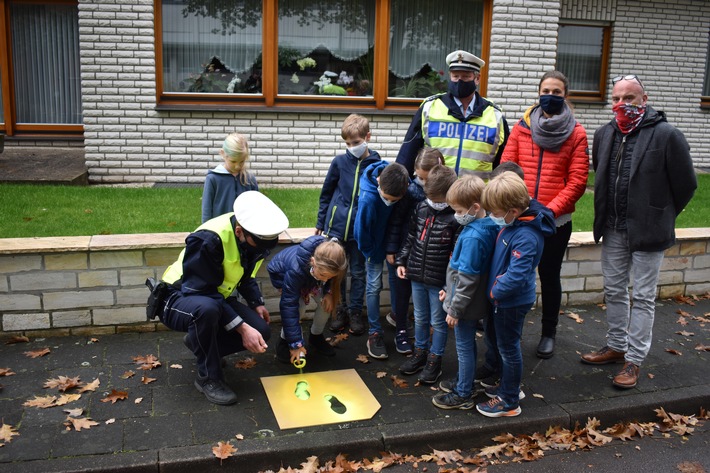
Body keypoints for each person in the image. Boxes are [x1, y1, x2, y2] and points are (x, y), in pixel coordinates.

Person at [580, 74, 696, 389]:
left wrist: (662, 213)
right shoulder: (604, 134)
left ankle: (634, 359)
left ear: (643, 100)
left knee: (643, 297)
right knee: (615, 290)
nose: (621, 104)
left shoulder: (667, 135)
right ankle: (616, 346)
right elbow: (600, 174)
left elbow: (686, 184)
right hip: (614, 227)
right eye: (616, 98)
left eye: (628, 98)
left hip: (649, 231)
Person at [161, 191, 289, 405]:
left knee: (262, 330)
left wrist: (257, 303)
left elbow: (246, 275)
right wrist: (242, 327)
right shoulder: (208, 240)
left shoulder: (253, 239)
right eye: (259, 245)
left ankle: (200, 344)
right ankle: (208, 379)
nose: (264, 251)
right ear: (239, 231)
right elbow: (200, 291)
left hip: (214, 296)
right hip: (178, 297)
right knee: (207, 311)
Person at [500, 70, 589, 359]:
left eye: (557, 92)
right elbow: (507, 168)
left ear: (566, 96)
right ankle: (508, 327)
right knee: (513, 273)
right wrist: (520, 205)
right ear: (538, 93)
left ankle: (548, 332)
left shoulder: (576, 132)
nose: (550, 96)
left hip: (554, 220)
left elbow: (577, 181)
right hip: (522, 214)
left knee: (549, 276)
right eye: (546, 91)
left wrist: (548, 211)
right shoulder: (522, 127)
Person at [475, 172, 555, 418]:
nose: (493, 217)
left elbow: (516, 276)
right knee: (503, 345)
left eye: (496, 213)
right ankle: (509, 386)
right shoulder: (517, 224)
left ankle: (509, 400)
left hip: (510, 301)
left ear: (513, 210)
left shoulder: (527, 235)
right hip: (502, 300)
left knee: (509, 349)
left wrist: (494, 291)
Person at [431, 175, 497, 409]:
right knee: (467, 345)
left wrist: (455, 307)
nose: (456, 215)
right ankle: (464, 382)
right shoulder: (488, 226)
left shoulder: (472, 236)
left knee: (464, 346)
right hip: (470, 300)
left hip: (466, 306)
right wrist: (448, 292)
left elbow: (467, 278)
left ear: (475, 207)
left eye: (458, 210)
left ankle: (463, 392)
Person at [396, 49, 508, 180]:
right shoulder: (429, 108)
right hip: (435, 194)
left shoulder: (494, 115)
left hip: (476, 195)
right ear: (450, 76)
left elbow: (503, 162)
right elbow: (407, 154)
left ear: (477, 79)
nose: (459, 81)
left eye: (465, 77)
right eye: (455, 76)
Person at [316, 114, 381, 337]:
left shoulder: (376, 164)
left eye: (355, 142)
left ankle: (355, 312)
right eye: (347, 144)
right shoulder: (339, 162)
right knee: (338, 272)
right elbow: (326, 193)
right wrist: (321, 221)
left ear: (367, 137)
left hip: (360, 231)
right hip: (337, 229)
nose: (351, 147)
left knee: (359, 272)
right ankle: (340, 310)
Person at [396, 165, 459, 383]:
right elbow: (411, 237)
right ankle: (420, 352)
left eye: (438, 199)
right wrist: (402, 260)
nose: (433, 202)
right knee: (420, 318)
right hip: (416, 275)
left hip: (438, 281)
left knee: (438, 322)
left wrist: (448, 285)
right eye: (429, 197)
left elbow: (455, 255)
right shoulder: (421, 208)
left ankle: (435, 359)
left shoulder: (455, 219)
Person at [385, 147, 445, 355]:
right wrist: (392, 249)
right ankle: (401, 329)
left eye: (426, 178)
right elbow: (397, 222)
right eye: (419, 177)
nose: (421, 182)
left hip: (432, 258)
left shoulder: (446, 194)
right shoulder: (411, 192)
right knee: (401, 294)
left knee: (427, 301)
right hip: (406, 250)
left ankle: (427, 334)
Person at [354, 160, 410, 360]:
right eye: (387, 198)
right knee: (374, 285)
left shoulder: (400, 179)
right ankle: (374, 332)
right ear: (379, 183)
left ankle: (397, 318)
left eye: (395, 200)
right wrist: (370, 253)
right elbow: (361, 232)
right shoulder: (369, 199)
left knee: (397, 280)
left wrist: (393, 247)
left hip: (394, 245)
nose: (390, 202)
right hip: (373, 248)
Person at [267, 236, 347, 364]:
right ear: (313, 261)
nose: (326, 280)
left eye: (330, 277)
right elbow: (288, 306)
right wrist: (295, 345)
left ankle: (316, 336)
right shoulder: (295, 271)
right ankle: (284, 341)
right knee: (299, 305)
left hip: (312, 277)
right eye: (323, 276)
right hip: (282, 275)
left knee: (326, 304)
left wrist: (328, 292)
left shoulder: (334, 261)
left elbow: (329, 278)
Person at [201, 132, 259, 223]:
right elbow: (206, 211)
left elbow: (256, 209)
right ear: (223, 154)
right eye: (233, 161)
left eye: (241, 161)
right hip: (219, 232)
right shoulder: (213, 179)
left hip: (244, 233)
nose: (237, 166)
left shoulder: (249, 179)